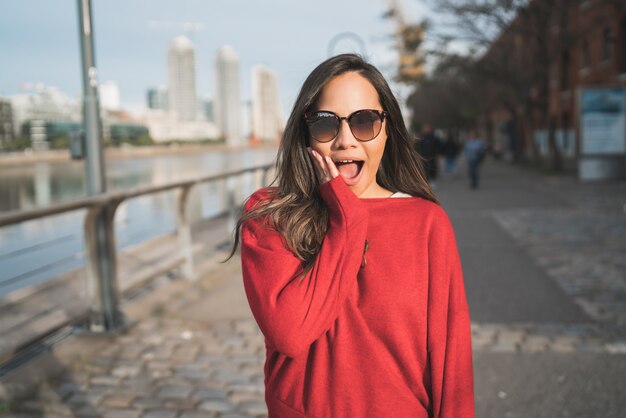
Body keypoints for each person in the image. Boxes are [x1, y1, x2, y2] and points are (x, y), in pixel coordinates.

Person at [225, 54, 474, 417]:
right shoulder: (271, 214)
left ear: (387, 130)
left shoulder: (425, 222)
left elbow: (452, 362)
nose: (345, 141)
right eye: (326, 124)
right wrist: (347, 220)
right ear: (305, 132)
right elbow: (290, 332)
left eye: (364, 121)